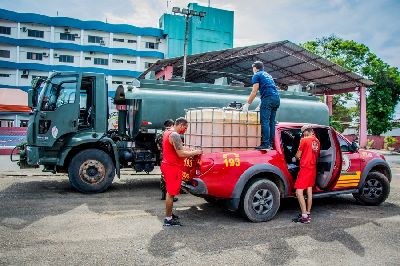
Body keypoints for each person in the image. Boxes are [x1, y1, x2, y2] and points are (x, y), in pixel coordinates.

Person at [161, 117, 202, 226]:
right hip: (172, 167)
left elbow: (178, 148)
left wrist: (188, 149)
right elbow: (181, 154)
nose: (186, 130)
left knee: (170, 192)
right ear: (181, 125)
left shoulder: (168, 132)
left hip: (167, 165)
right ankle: (168, 220)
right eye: (185, 127)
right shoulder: (175, 135)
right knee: (170, 194)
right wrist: (196, 152)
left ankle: (169, 214)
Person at [243, 61, 280, 150]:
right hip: (276, 99)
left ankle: (265, 144)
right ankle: (270, 144)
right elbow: (269, 89)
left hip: (268, 99)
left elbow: (254, 91)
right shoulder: (268, 75)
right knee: (271, 122)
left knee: (264, 121)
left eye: (253, 68)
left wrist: (247, 104)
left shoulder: (256, 75)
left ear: (255, 68)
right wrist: (260, 104)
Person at [292, 124, 320, 224]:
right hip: (312, 168)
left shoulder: (304, 140)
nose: (303, 134)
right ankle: (307, 213)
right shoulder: (317, 141)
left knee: (298, 192)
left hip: (305, 168)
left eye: (303, 132)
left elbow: (298, 155)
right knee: (309, 191)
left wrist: (295, 157)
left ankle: (304, 217)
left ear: (306, 132)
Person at [156, 119, 175, 201]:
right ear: (172, 125)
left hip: (162, 156)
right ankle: (170, 195)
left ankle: (163, 194)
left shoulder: (160, 135)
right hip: (169, 157)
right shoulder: (170, 134)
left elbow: (157, 146)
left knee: (163, 175)